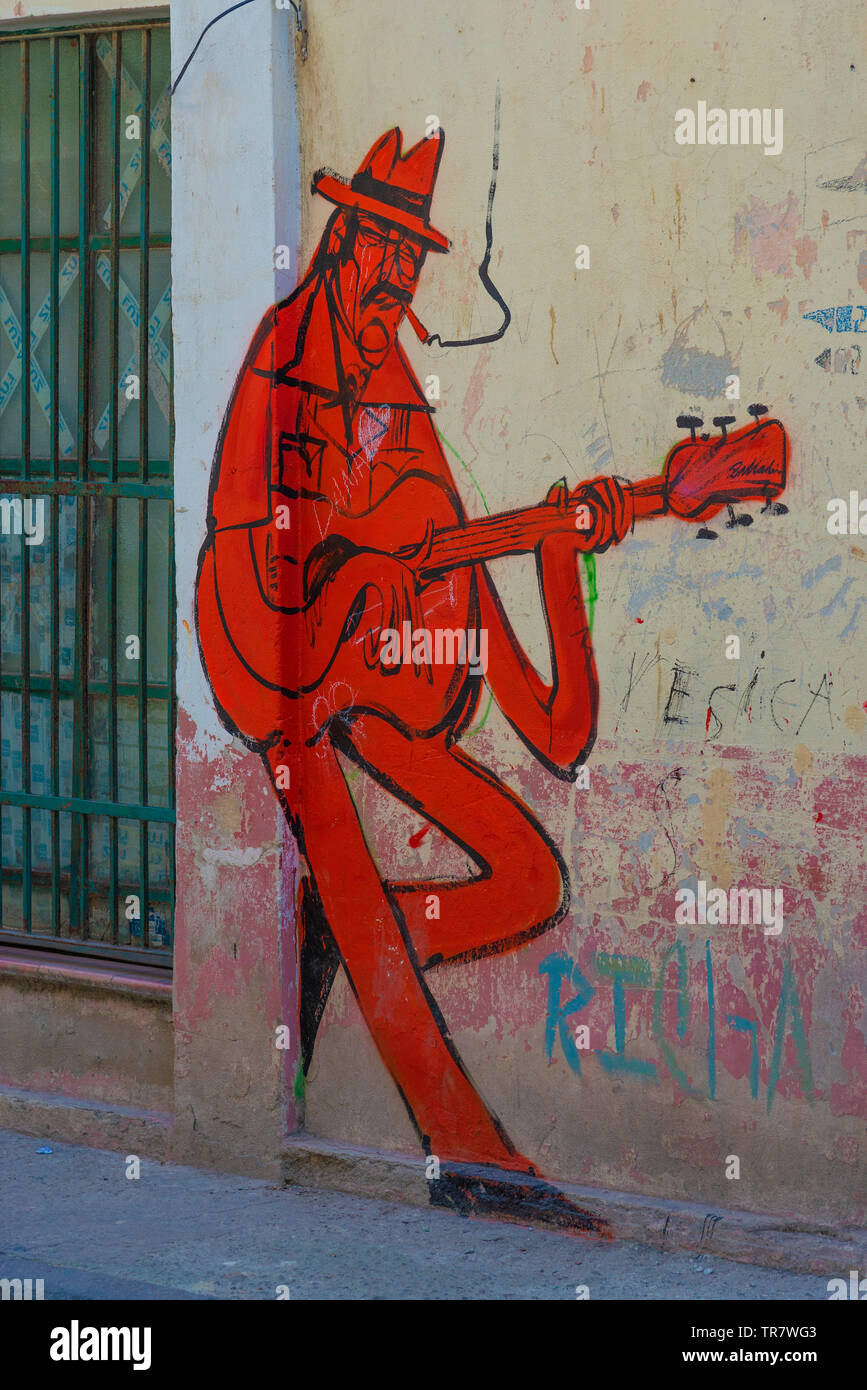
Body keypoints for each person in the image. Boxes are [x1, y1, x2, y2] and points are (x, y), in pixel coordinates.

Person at [196, 127, 633, 1231]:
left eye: (411, 256)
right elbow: (253, 556)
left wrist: (551, 557)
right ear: (344, 237)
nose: (397, 275)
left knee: (532, 876)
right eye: (384, 245)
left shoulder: (395, 383)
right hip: (266, 655)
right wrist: (353, 595)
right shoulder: (283, 354)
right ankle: (465, 1146)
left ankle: (342, 930)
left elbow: (559, 731)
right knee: (313, 761)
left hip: (358, 664)